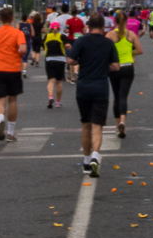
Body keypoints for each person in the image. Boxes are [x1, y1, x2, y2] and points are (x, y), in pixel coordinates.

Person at [67, 13, 120, 177]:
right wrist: (104, 66)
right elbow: (116, 66)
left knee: (85, 125)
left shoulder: (81, 41)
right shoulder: (108, 43)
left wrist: (80, 61)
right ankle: (96, 156)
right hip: (101, 88)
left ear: (88, 26)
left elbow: (70, 61)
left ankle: (85, 161)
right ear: (104, 27)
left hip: (83, 87)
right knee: (98, 125)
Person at [0, 6, 27, 141]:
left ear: (0, 19)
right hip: (13, 69)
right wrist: (18, 53)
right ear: (12, 18)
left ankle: (0, 119)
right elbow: (23, 50)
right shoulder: (18, 33)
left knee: (0, 100)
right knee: (12, 100)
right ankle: (11, 133)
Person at [107, 10, 143, 138]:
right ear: (126, 21)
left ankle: (117, 126)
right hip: (128, 68)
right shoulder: (131, 34)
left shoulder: (110, 35)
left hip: (114, 68)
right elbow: (140, 50)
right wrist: (129, 52)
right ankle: (123, 121)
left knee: (116, 96)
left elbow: (105, 51)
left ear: (114, 21)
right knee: (123, 96)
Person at [43, 20, 68, 108]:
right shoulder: (63, 36)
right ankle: (58, 101)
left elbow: (43, 47)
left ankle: (50, 96)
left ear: (50, 28)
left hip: (49, 60)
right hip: (61, 60)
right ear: (59, 28)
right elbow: (67, 46)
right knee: (59, 82)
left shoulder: (46, 36)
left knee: (51, 81)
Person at [65, 8, 86, 83]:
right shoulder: (80, 21)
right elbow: (83, 31)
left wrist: (67, 30)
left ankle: (72, 77)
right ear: (77, 13)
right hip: (79, 39)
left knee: (71, 57)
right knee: (78, 57)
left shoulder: (68, 21)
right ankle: (76, 72)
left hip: (71, 39)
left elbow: (66, 30)